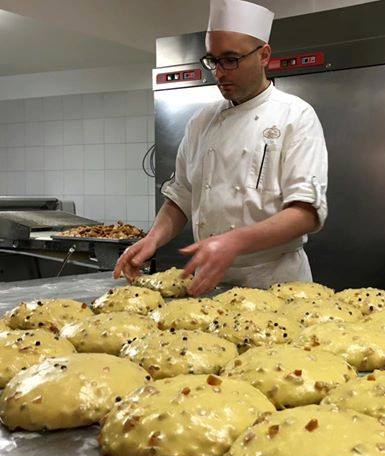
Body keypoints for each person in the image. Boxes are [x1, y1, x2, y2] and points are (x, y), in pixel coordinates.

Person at [114, 0, 328, 296]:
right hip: (209, 282)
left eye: (231, 59)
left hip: (276, 282)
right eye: (213, 60)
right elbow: (181, 197)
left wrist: (234, 242)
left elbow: (306, 212)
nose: (220, 73)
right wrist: (152, 239)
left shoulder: (296, 116)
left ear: (264, 55)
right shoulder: (201, 122)